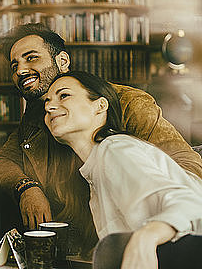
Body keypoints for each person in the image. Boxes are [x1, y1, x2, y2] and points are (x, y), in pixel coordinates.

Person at [0, 23, 202, 255]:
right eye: (15, 65)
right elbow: (2, 160)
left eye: (31, 58)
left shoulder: (119, 131)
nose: (20, 70)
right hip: (89, 247)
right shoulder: (37, 115)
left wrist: (148, 237)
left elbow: (186, 177)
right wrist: (27, 187)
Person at [44, 71, 202, 269]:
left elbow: (192, 203)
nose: (49, 107)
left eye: (64, 95)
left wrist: (145, 238)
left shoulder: (114, 150)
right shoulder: (97, 166)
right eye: (47, 102)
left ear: (100, 106)